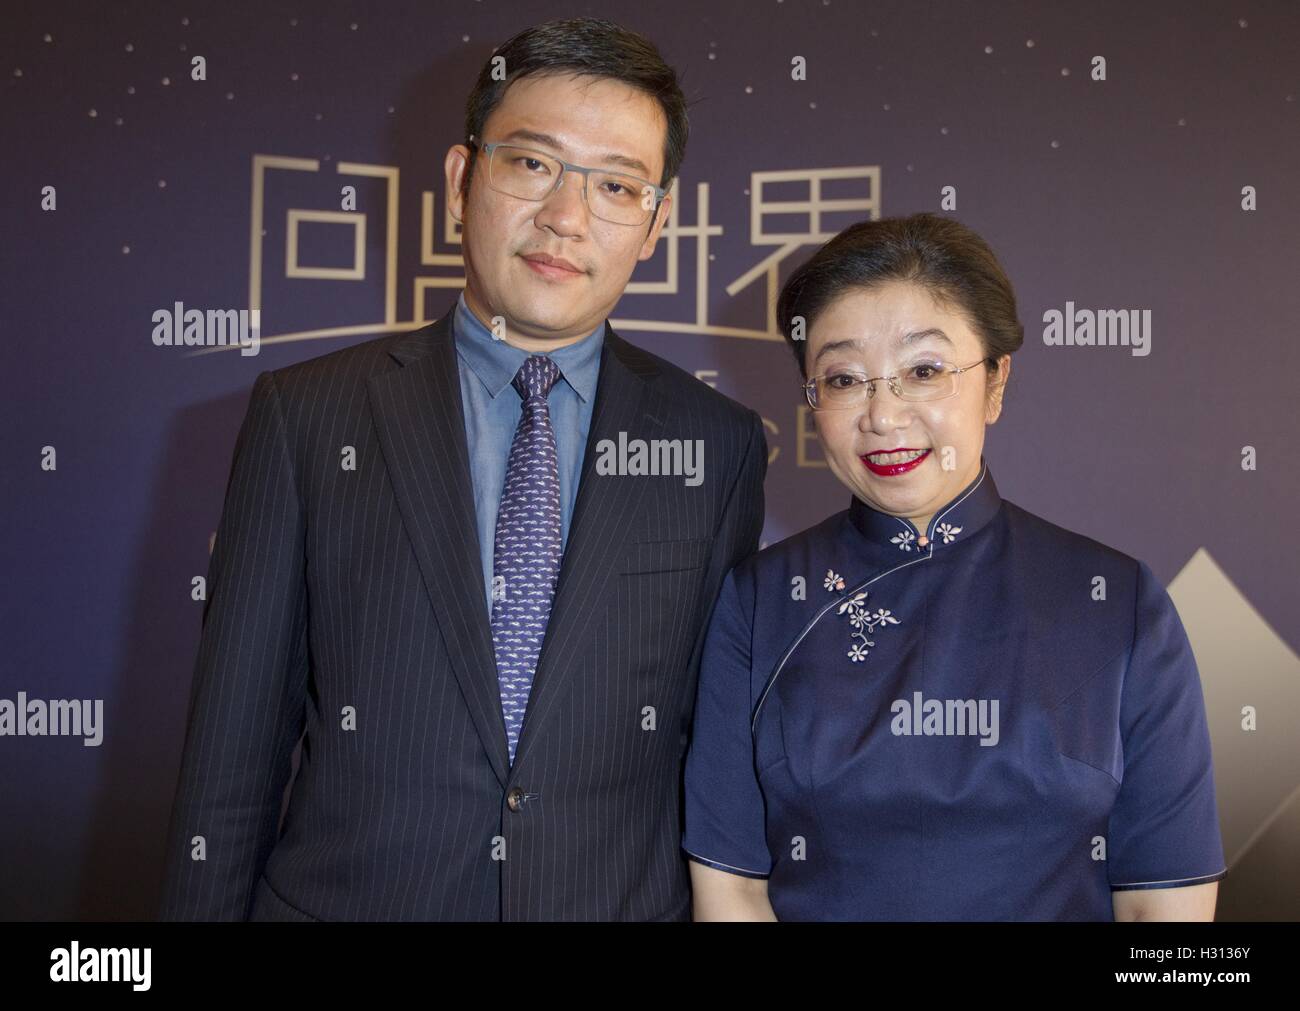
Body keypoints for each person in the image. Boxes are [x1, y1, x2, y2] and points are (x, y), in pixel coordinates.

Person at [159, 17, 766, 921]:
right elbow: (230, 758)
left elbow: (714, 754)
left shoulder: (717, 444)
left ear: (655, 224)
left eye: (615, 185)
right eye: (532, 163)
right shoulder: (307, 414)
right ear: (460, 180)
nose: (566, 217)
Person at [682, 212, 1226, 921]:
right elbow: (732, 892)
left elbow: (1165, 907)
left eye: (924, 371)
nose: (883, 415)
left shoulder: (1117, 603)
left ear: (995, 381)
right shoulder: (759, 601)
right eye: (844, 378)